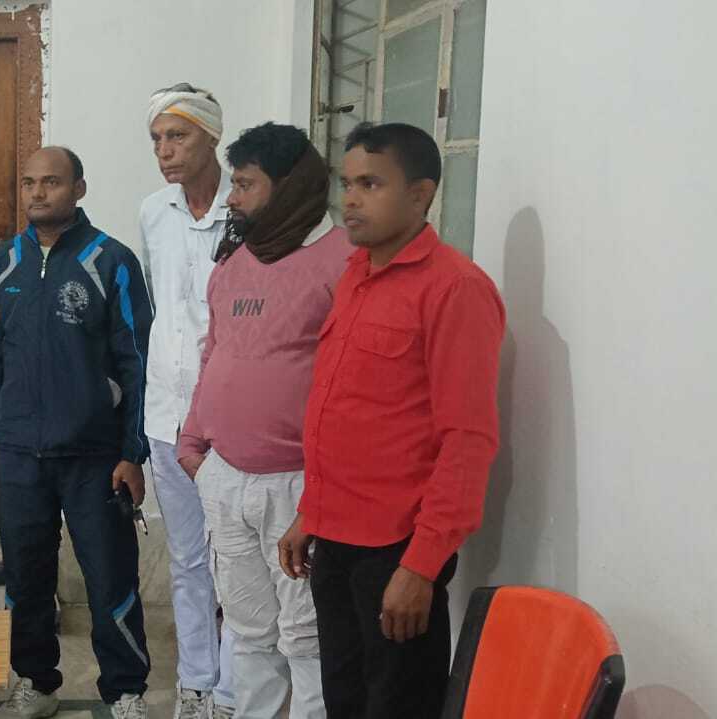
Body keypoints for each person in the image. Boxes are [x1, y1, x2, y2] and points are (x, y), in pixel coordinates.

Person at [278, 122, 505, 719]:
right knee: (345, 699)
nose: (351, 199)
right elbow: (351, 410)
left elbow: (468, 440)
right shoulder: (356, 274)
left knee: (398, 704)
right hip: (335, 538)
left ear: (420, 193)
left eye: (371, 184)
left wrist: (421, 566)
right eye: (347, 183)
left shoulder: (455, 289)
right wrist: (311, 511)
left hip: (397, 548)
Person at [0, 146, 154, 719]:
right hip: (20, 453)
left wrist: (132, 451)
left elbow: (138, 361)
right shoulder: (7, 261)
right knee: (26, 579)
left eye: (51, 181)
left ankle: (125, 692)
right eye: (29, 182)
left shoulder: (111, 261)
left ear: (78, 188)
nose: (37, 192)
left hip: (94, 455)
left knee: (110, 578)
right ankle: (37, 683)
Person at [178, 122, 348, 719]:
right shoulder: (235, 263)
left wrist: (321, 490)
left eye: (245, 185)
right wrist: (194, 443)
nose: (232, 198)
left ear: (289, 186)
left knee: (306, 638)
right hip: (225, 475)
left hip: (299, 486)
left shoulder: (344, 262)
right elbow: (214, 352)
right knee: (248, 631)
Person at [139, 82, 239, 719]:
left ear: (212, 137)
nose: (165, 150)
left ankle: (233, 692)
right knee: (186, 558)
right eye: (156, 139)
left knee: (237, 561)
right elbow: (160, 305)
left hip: (230, 418)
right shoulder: (154, 211)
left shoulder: (247, 210)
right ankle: (197, 683)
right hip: (166, 415)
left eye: (178, 136)